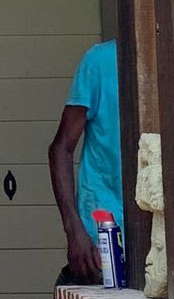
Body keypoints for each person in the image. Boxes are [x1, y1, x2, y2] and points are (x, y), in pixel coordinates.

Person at [48, 38, 125, 285]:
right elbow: (60, 149)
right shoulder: (100, 60)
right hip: (101, 237)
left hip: (161, 237)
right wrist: (75, 231)